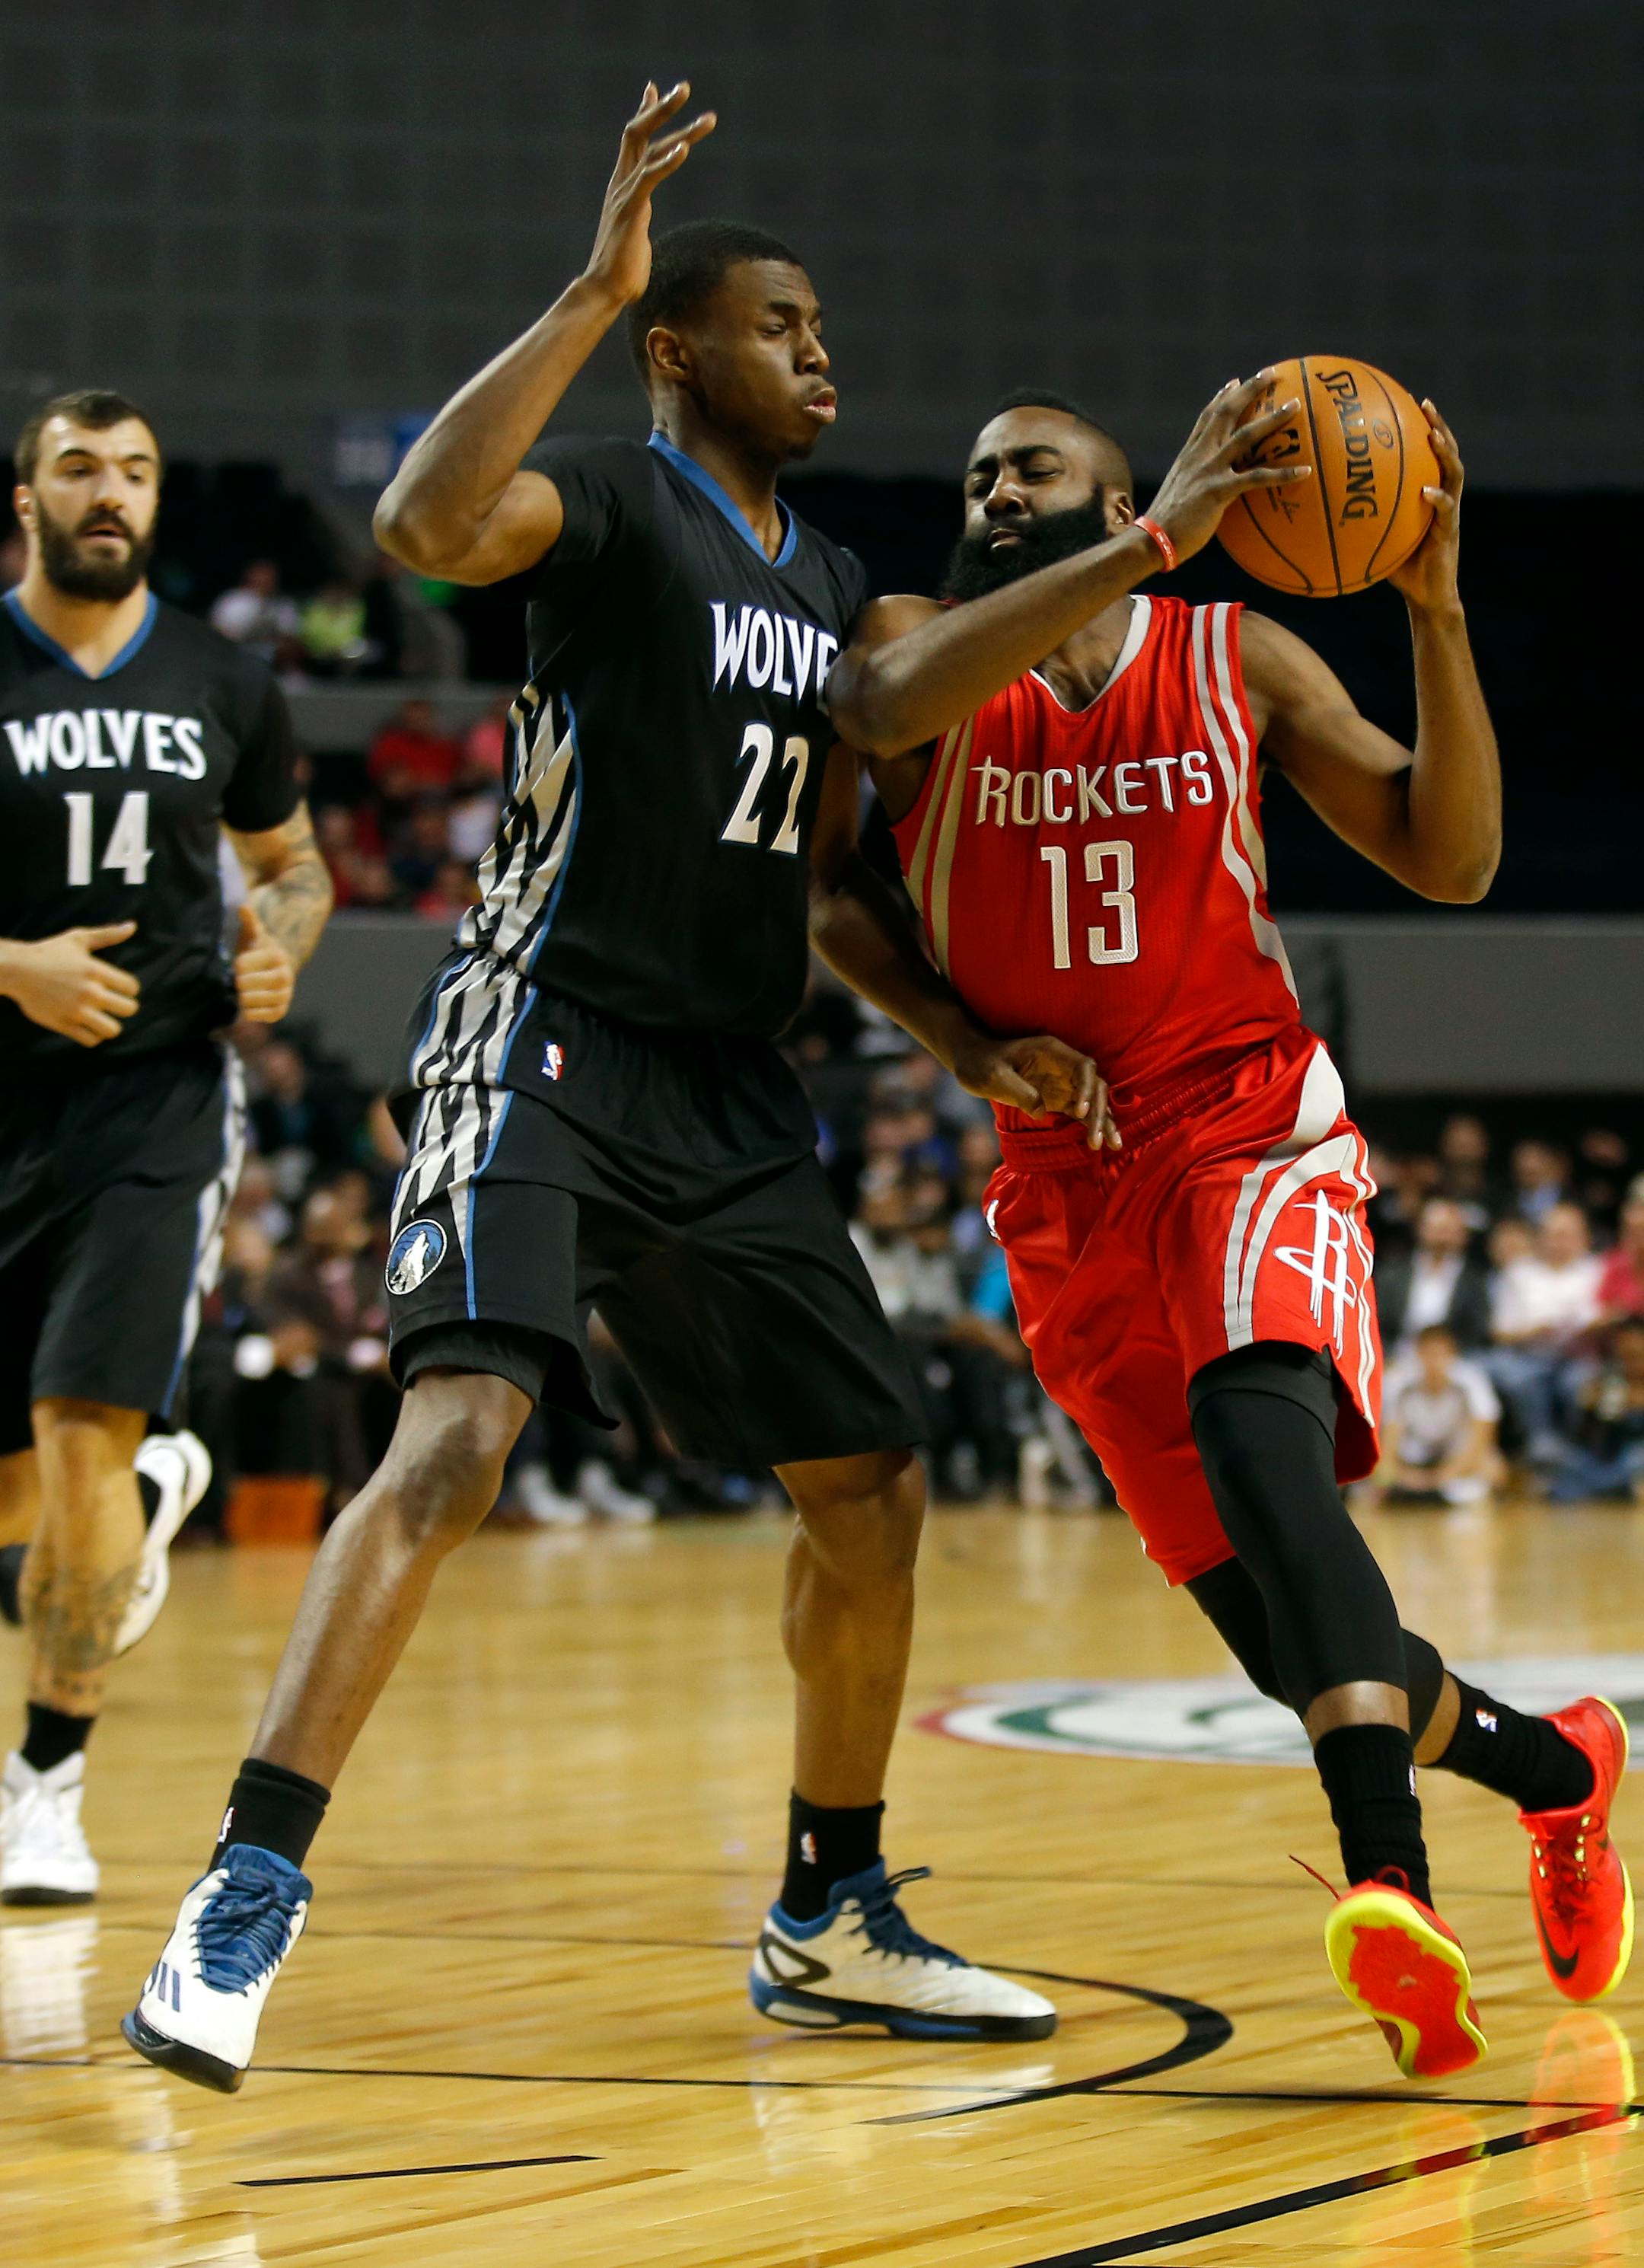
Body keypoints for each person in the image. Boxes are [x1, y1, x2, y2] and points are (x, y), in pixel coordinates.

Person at [124, 84, 1108, 2092]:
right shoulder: (614, 501)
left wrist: (1144, 552)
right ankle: (247, 1880)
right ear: (684, 347)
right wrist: (590, 288)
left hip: (735, 1088)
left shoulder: (841, 576)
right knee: (460, 1432)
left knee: (876, 1478)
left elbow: (898, 751)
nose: (824, 353)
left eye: (832, 331)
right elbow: (417, 529)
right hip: (547, 1023)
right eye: (785, 324)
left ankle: (831, 1903)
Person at [822, 384, 1630, 2076]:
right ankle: (1559, 1770)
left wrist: (1435, 607)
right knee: (1287, 1639)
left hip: (1250, 1125)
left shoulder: (1231, 655)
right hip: (1065, 1179)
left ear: (1135, 491)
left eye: (1034, 463)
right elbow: (855, 811)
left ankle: (1387, 1883)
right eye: (978, 472)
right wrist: (968, 1047)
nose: (992, 485)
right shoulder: (915, 641)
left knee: (1266, 1462)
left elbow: (1452, 856)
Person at [0, 388, 332, 1903]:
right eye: (80, 468)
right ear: (29, 496)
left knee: (77, 1439)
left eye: (132, 471)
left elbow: (295, 866)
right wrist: (14, 967)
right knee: (38, 1499)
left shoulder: (222, 676)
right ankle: (135, 1502)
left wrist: (278, 946)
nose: (109, 492)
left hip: (153, 1107)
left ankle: (46, 1783)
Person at [1372, 1324, 1503, 1506]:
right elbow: (1388, 1442)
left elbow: (1481, 1438)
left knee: (1492, 1468)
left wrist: (1438, 1478)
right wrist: (1403, 1475)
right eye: (1429, 1353)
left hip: (1456, 1457)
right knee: (1376, 1475)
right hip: (1412, 1457)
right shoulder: (1398, 1382)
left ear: (1453, 1355)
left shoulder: (1473, 1380)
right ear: (1418, 1354)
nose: (1434, 1362)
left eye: (1441, 1354)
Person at [1376, 1197, 1493, 1354]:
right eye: (1437, 1229)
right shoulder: (1393, 1274)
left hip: (1455, 1361)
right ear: (1420, 1229)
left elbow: (1478, 1331)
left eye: (1449, 1230)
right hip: (1397, 1356)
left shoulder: (1476, 1280)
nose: (1442, 1237)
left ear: (1463, 1235)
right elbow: (1377, 1323)